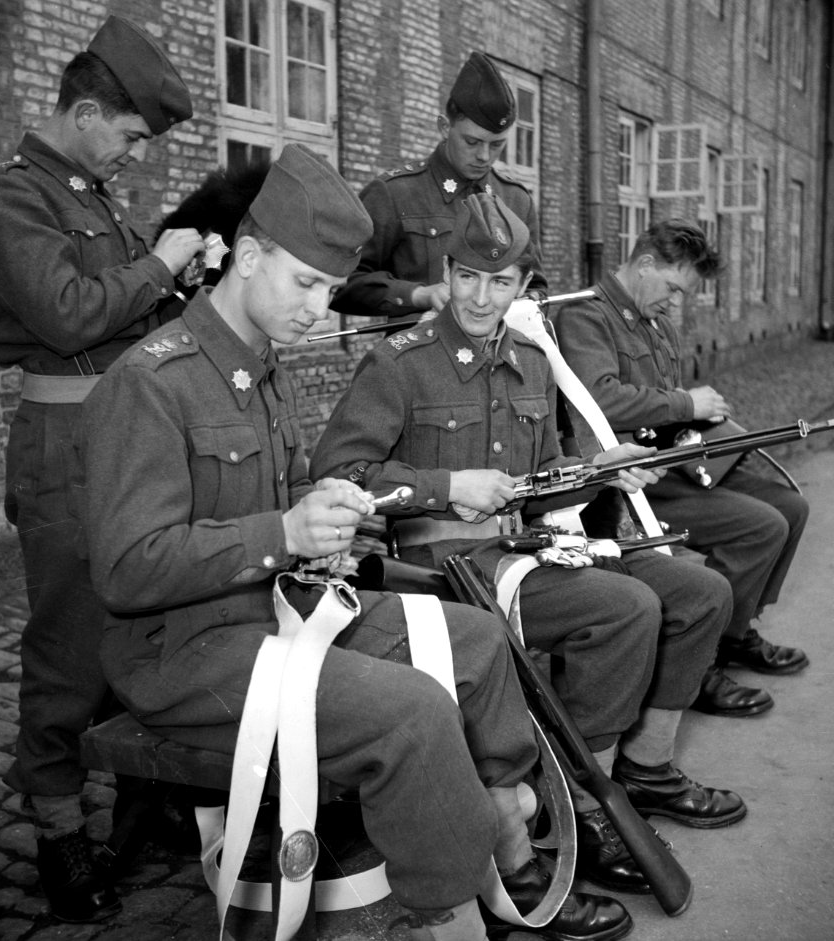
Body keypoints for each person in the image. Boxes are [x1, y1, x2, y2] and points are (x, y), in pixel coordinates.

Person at [77, 144, 632, 941]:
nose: (319, 306)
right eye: (306, 281)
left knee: (475, 638)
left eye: (333, 289)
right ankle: (448, 913)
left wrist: (322, 512)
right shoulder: (151, 380)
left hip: (272, 611)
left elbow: (277, 498)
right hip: (184, 650)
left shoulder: (259, 366)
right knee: (411, 713)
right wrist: (284, 533)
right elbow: (127, 569)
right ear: (247, 254)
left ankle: (507, 822)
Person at [311, 193, 744, 904]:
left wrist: (601, 470)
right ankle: (587, 806)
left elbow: (541, 481)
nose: (483, 297)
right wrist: (445, 484)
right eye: (470, 277)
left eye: (502, 281)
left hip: (534, 546)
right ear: (447, 273)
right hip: (447, 567)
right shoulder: (399, 363)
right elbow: (340, 476)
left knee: (702, 593)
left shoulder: (530, 363)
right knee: (627, 606)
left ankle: (644, 769)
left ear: (522, 287)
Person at [0, 16, 204, 923]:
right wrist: (163, 260)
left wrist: (185, 281)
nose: (136, 154)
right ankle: (61, 830)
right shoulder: (7, 198)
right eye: (132, 136)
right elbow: (66, 314)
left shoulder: (93, 198)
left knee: (156, 619)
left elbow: (132, 315)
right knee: (70, 646)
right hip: (67, 447)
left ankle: (150, 795)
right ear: (88, 110)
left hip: (135, 433)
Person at [553, 220, 810, 718]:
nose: (676, 303)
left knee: (791, 506)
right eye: (673, 288)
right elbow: (599, 399)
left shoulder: (655, 321)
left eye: (683, 294)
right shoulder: (585, 316)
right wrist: (684, 403)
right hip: (630, 480)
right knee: (761, 525)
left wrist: (703, 420)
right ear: (645, 264)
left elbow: (668, 407)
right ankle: (701, 664)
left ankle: (734, 633)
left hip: (675, 461)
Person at [331, 50, 548, 321]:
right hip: (417, 356)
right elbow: (338, 284)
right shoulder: (395, 193)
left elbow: (536, 287)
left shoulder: (516, 200)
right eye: (472, 142)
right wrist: (418, 295)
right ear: (444, 128)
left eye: (497, 145)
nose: (484, 156)